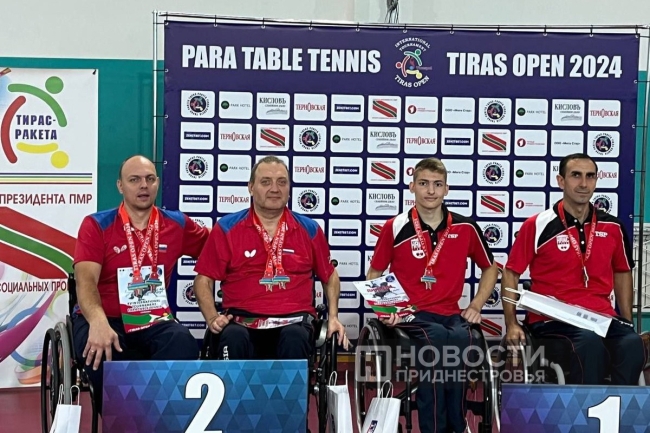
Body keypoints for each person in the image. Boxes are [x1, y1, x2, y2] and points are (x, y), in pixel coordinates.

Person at [367, 157, 499, 433]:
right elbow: (375, 273)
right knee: (437, 340)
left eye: (437, 184)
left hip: (450, 313)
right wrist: (387, 310)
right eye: (424, 183)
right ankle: (436, 428)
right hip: (410, 313)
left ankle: (456, 424)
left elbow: (490, 268)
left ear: (446, 189)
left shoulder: (465, 227)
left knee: (463, 338)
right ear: (412, 186)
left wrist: (476, 305)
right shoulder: (395, 226)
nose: (430, 191)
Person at [73, 155, 210, 410]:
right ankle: (125, 421)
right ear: (120, 186)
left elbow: (219, 247)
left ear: (157, 183)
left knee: (182, 341)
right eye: (134, 180)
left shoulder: (177, 224)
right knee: (105, 353)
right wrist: (98, 322)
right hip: (104, 318)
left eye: (149, 179)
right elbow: (86, 281)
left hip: (152, 319)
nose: (143, 185)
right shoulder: (96, 225)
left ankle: (162, 416)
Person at [502, 153, 645, 385]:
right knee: (589, 344)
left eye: (590, 176)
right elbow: (511, 273)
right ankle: (587, 407)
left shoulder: (613, 227)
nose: (583, 184)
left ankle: (621, 406)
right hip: (552, 320)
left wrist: (626, 321)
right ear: (561, 181)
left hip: (601, 318)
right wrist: (511, 323)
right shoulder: (537, 225)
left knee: (632, 343)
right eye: (576, 175)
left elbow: (622, 271)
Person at [193, 155, 349, 361]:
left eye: (282, 182)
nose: (275, 189)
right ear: (251, 187)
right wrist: (212, 317)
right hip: (241, 320)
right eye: (266, 182)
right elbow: (203, 280)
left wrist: (334, 317)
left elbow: (330, 276)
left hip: (294, 321)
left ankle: (291, 386)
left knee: (294, 338)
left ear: (289, 188)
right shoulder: (227, 227)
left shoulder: (309, 229)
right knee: (233, 337)